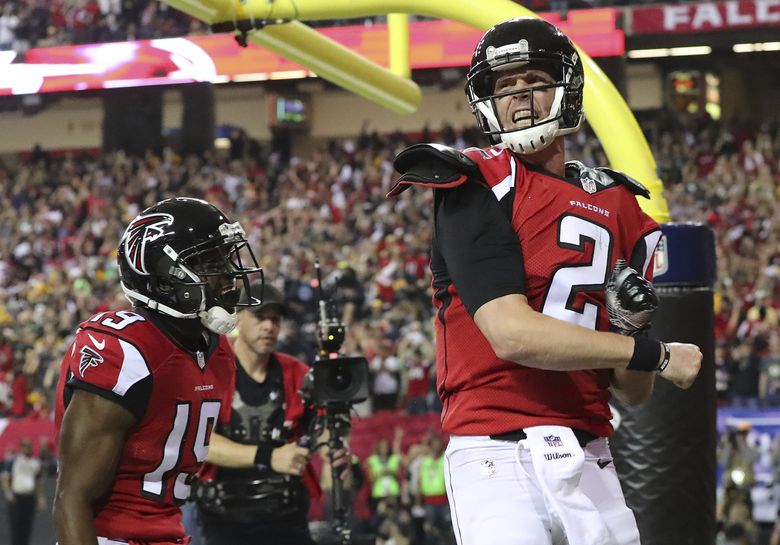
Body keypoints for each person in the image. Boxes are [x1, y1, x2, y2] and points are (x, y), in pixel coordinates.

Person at [387, 17, 702, 545]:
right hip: (497, 450)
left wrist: (631, 327)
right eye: (503, 85)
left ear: (565, 87)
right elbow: (512, 335)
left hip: (591, 452)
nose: (519, 96)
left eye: (532, 78)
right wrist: (655, 352)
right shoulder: (476, 181)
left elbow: (634, 393)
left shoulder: (619, 203)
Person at [53, 197, 263, 545]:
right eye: (210, 262)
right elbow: (70, 499)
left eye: (225, 258)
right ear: (166, 279)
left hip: (169, 534)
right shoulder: (126, 348)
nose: (228, 274)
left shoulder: (217, 351)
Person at [193, 282, 351, 545]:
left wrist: (333, 449)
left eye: (275, 320)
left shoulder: (296, 372)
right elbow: (198, 442)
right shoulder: (210, 370)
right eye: (259, 317)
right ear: (238, 318)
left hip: (286, 517)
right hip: (222, 521)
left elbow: (324, 420)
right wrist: (269, 456)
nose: (269, 327)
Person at [1, 439, 45, 545]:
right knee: (16, 525)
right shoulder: (13, 460)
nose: (27, 448)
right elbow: (4, 477)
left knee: (27, 525)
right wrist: (8, 493)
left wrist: (40, 497)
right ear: (21, 447)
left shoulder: (35, 462)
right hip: (17, 497)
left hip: (29, 497)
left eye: (29, 446)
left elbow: (38, 482)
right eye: (25, 446)